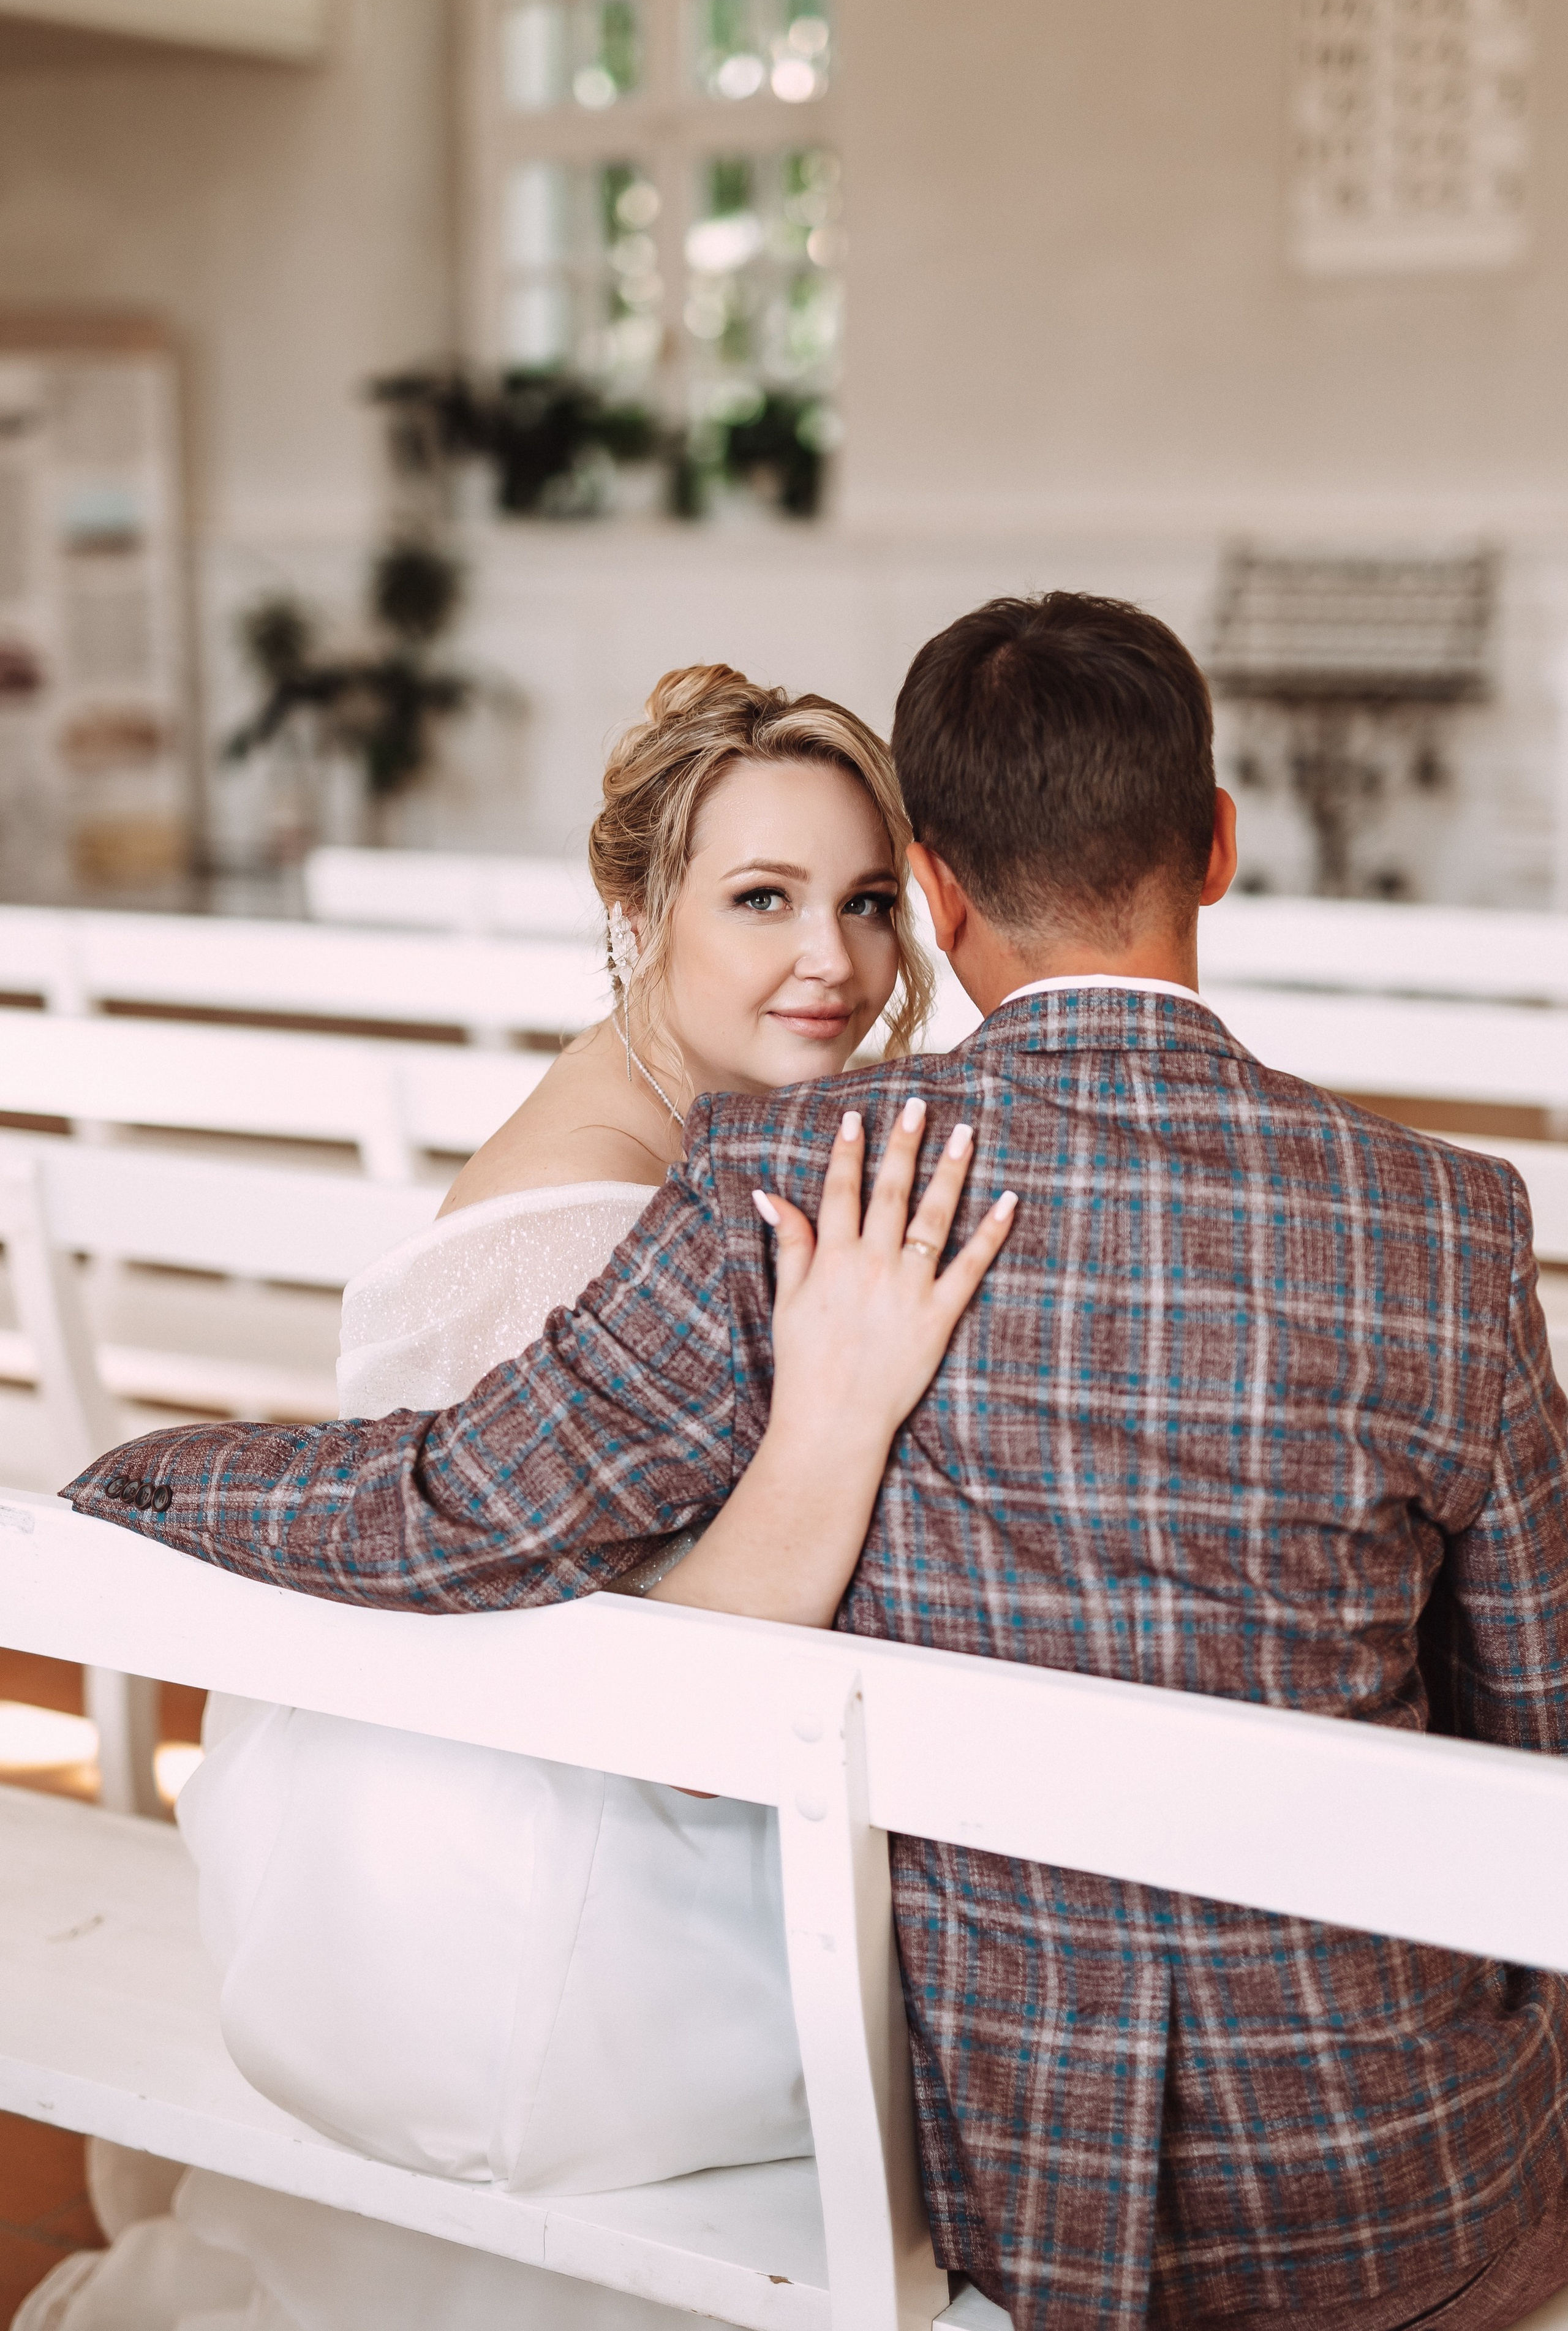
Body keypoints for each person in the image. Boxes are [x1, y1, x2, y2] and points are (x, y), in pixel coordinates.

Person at [69, 591, 1568, 2331]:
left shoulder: (801, 1171)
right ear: (1220, 844)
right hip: (1421, 2196)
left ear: (932, 887)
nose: (834, 956)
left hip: (1022, 2185)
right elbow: (1536, 1708)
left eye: (861, 900)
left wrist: (140, 1485)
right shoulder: (1454, 1222)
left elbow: (458, 1507)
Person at [27, 665, 1011, 2331]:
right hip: (520, 1900)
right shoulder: (583, 1207)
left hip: (513, 1778)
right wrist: (842, 1418)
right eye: (761, 898)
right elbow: (633, 1674)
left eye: (861, 901)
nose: (833, 961)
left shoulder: (701, 1122)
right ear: (638, 907)